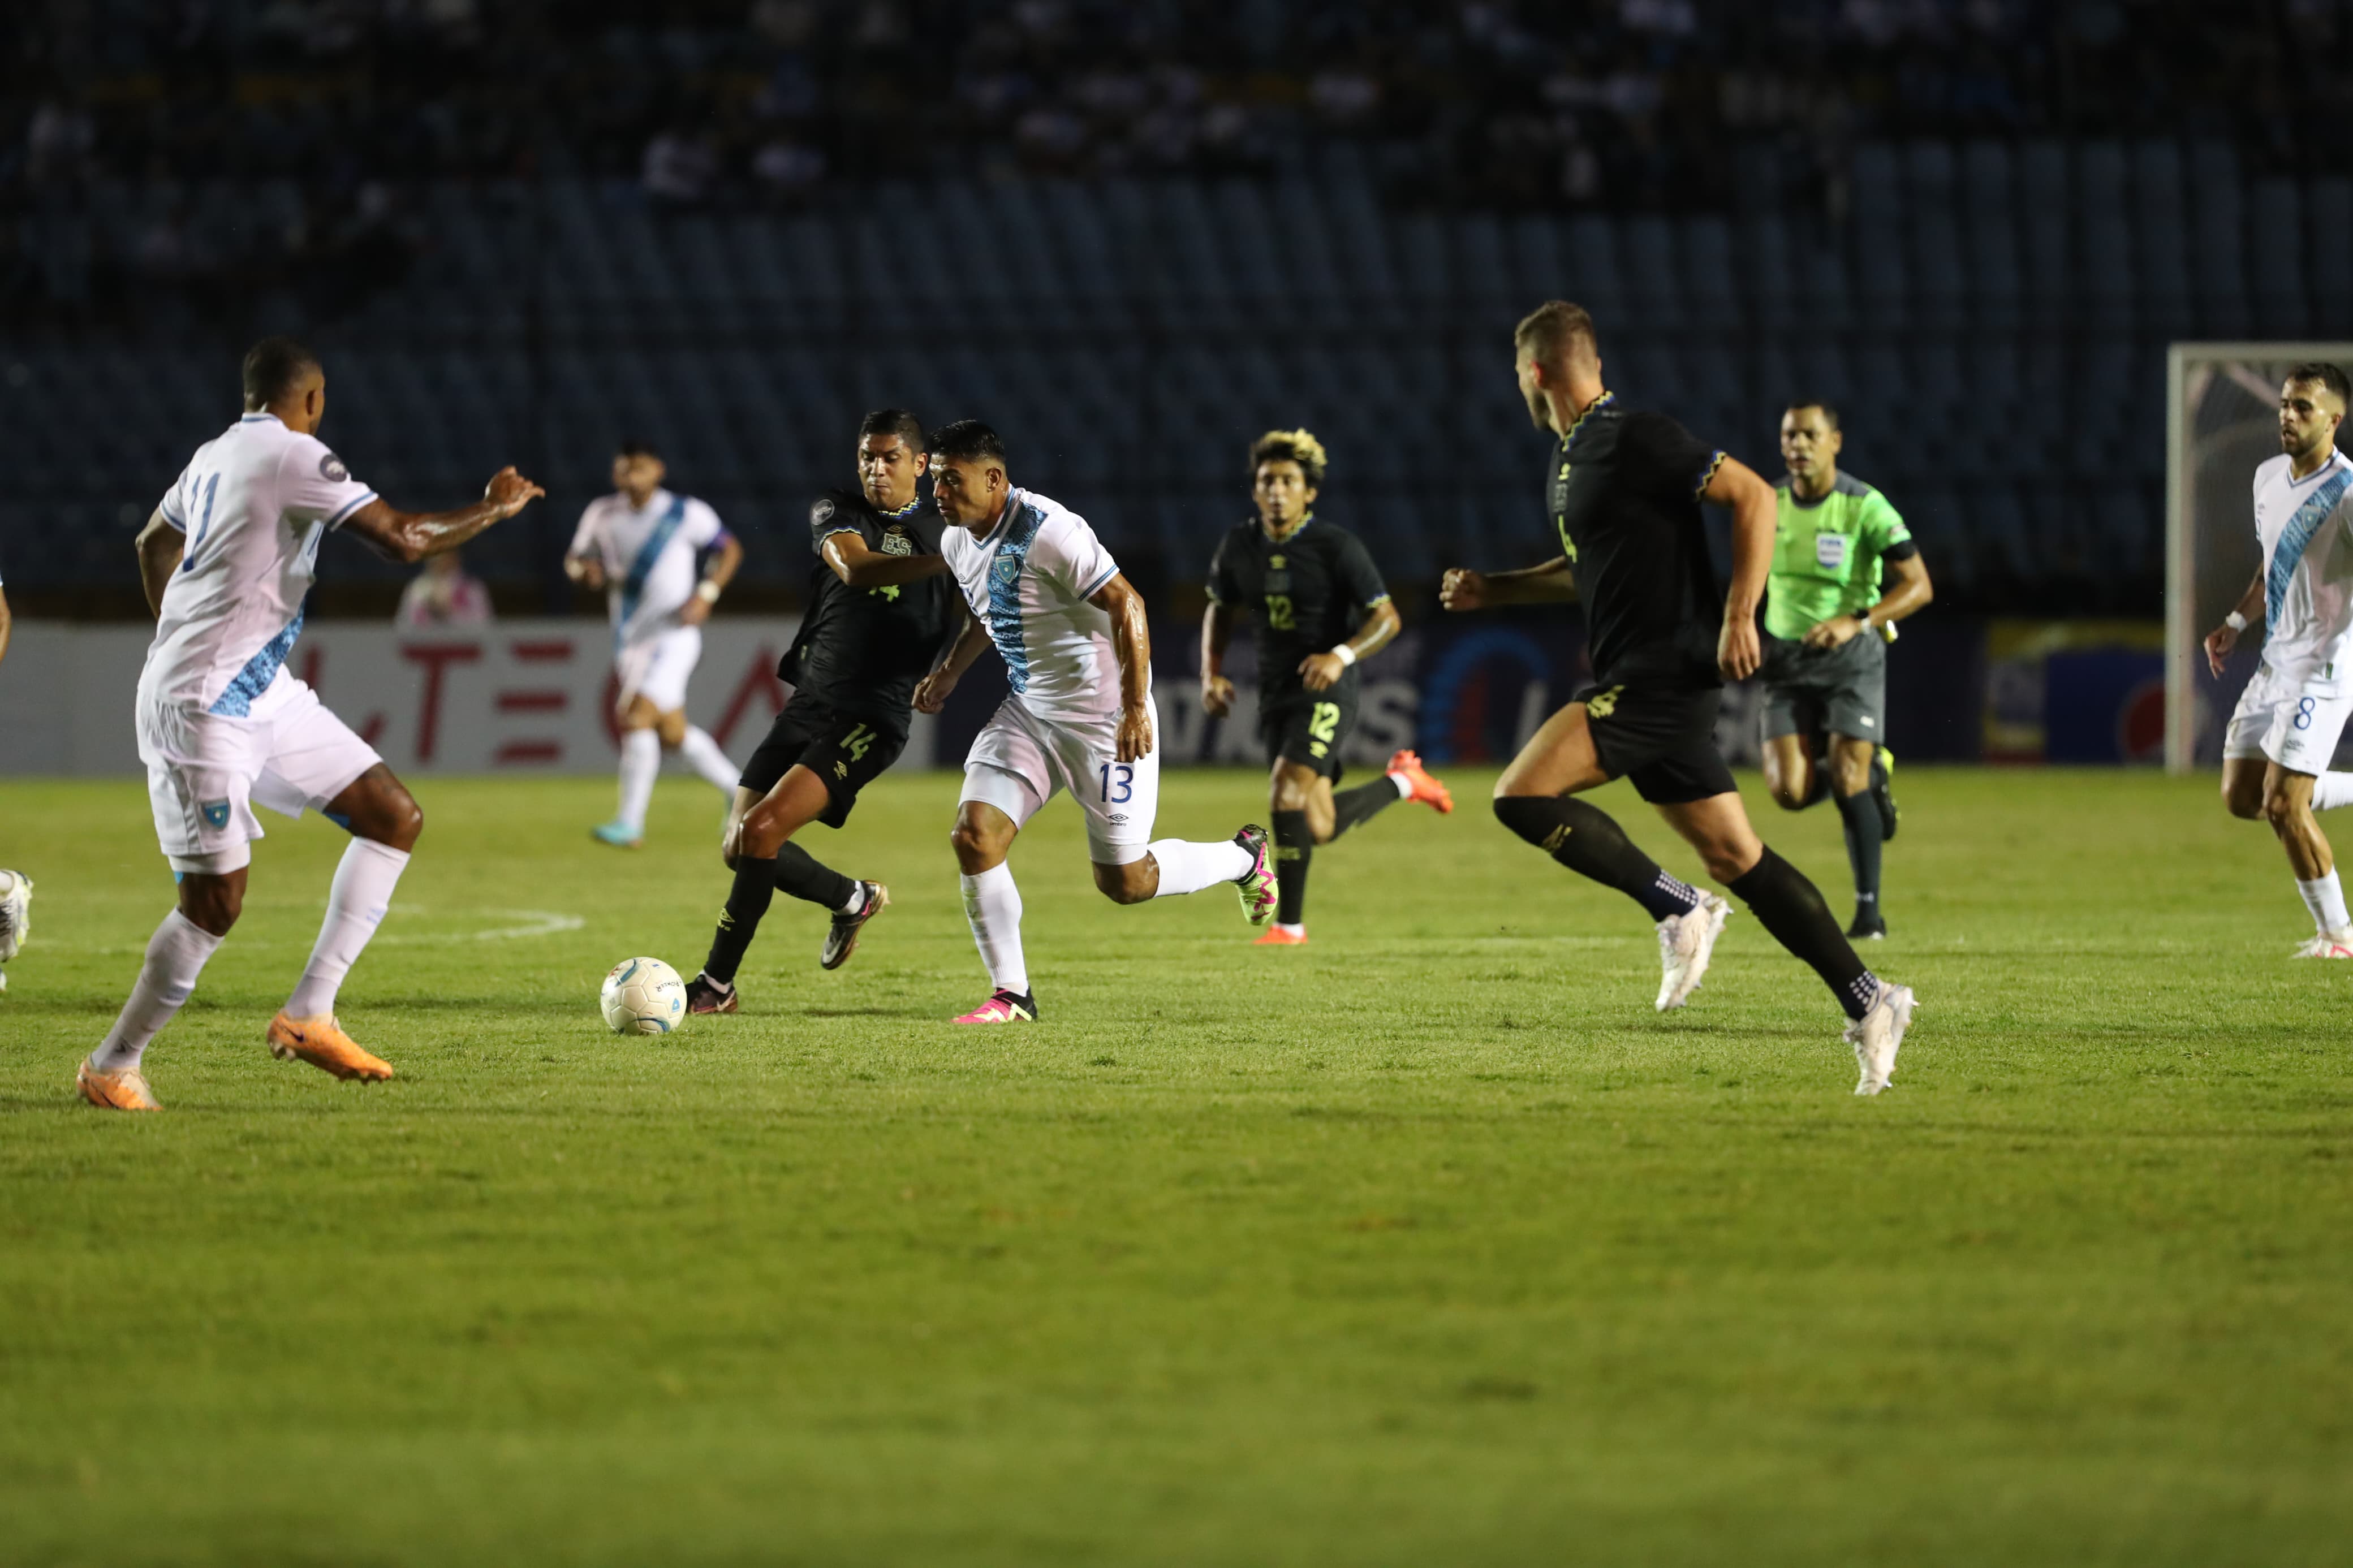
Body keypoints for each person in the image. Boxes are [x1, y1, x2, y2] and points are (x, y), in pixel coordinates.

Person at [1441, 301, 1916, 1095]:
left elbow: (1753, 498)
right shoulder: (1572, 456)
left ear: (1536, 374)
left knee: (1521, 794)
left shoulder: (1634, 436)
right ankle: (1872, 999)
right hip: (1649, 677)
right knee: (1740, 857)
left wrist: (1739, 613)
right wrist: (1497, 591)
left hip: (1660, 676)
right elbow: (1586, 568)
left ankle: (1677, 906)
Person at [77, 336, 542, 1112]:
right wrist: (495, 508)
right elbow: (403, 538)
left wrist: (180, 626)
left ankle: (309, 1015)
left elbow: (152, 540)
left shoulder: (213, 454)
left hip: (260, 690)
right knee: (214, 903)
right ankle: (112, 1064)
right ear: (315, 400)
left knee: (391, 815)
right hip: (202, 705)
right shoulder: (299, 457)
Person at [913, 420, 1277, 1024]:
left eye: (952, 481)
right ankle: (1013, 995)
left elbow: (1126, 603)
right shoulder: (956, 539)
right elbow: (990, 606)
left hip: (1100, 718)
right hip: (1030, 712)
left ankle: (1243, 859)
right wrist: (950, 671)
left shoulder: (1050, 531)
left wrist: (1135, 707)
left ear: (994, 479)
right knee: (973, 836)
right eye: (935, 481)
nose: (939, 494)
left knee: (1125, 882)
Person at [686, 411, 956, 1013]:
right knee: (739, 844)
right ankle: (852, 898)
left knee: (760, 831)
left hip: (872, 717)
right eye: (866, 456)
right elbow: (854, 569)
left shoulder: (953, 527)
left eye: (889, 457)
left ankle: (716, 986)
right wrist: (947, 561)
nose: (874, 468)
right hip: (811, 701)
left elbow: (990, 614)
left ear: (920, 464)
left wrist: (949, 671)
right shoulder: (838, 511)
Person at [1201, 427, 1453, 945]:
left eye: (1288, 481)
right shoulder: (1238, 545)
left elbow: (1387, 618)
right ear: (1255, 489)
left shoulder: (1336, 546)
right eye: (1267, 480)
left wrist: (1341, 655)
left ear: (1309, 491)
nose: (1276, 490)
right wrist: (1211, 672)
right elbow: (1219, 609)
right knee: (1315, 824)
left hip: (1327, 688)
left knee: (1284, 791)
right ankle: (1405, 782)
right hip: (1276, 692)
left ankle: (1290, 927)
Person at [1756, 401, 1934, 939]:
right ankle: (1868, 772)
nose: (1798, 445)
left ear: (1835, 442)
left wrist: (1857, 620)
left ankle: (1868, 915)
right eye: (1789, 435)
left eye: (1810, 435)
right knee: (1788, 792)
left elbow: (1919, 585)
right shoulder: (1767, 504)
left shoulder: (1865, 507)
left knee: (1847, 777)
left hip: (1852, 659)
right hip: (1786, 660)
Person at [2205, 362, 2353, 956]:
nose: (2287, 417)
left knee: (2281, 804)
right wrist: (2237, 620)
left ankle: (2337, 934)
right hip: (2274, 664)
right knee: (2241, 797)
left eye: (2302, 409)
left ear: (2334, 420)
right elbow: (2273, 559)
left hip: (2323, 668)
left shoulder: (2345, 494)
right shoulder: (2267, 476)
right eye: (2285, 405)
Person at [566, 440, 745, 848]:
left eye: (641, 469)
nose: (633, 478)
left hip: (675, 635)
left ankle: (630, 822)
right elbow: (575, 559)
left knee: (634, 713)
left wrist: (707, 593)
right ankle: (741, 793)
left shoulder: (685, 513)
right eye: (625, 470)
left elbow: (729, 549)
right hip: (631, 641)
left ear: (658, 470)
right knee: (673, 732)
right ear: (616, 474)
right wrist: (584, 572)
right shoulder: (602, 513)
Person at [395, 548, 493, 627]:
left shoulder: (473, 588)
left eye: (445, 553)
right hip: (424, 646)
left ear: (455, 557)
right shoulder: (417, 589)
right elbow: (404, 626)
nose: (439, 559)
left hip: (461, 647)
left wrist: (449, 614)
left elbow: (484, 625)